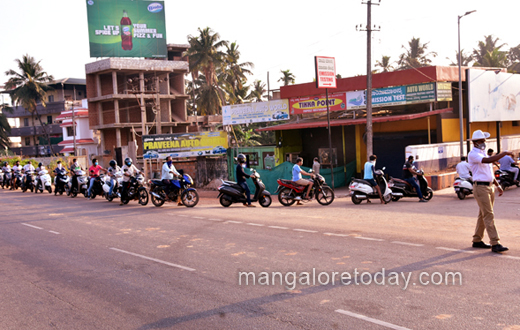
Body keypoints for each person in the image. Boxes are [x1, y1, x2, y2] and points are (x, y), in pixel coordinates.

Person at [468, 130, 513, 253]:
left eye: (484, 141)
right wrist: (504, 153)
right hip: (480, 188)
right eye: (481, 141)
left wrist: (497, 184)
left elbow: (489, 172)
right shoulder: (473, 154)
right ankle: (495, 243)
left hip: (489, 186)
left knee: (483, 214)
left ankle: (477, 240)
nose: (483, 143)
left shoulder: (483, 154)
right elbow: (487, 162)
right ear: (475, 142)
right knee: (488, 215)